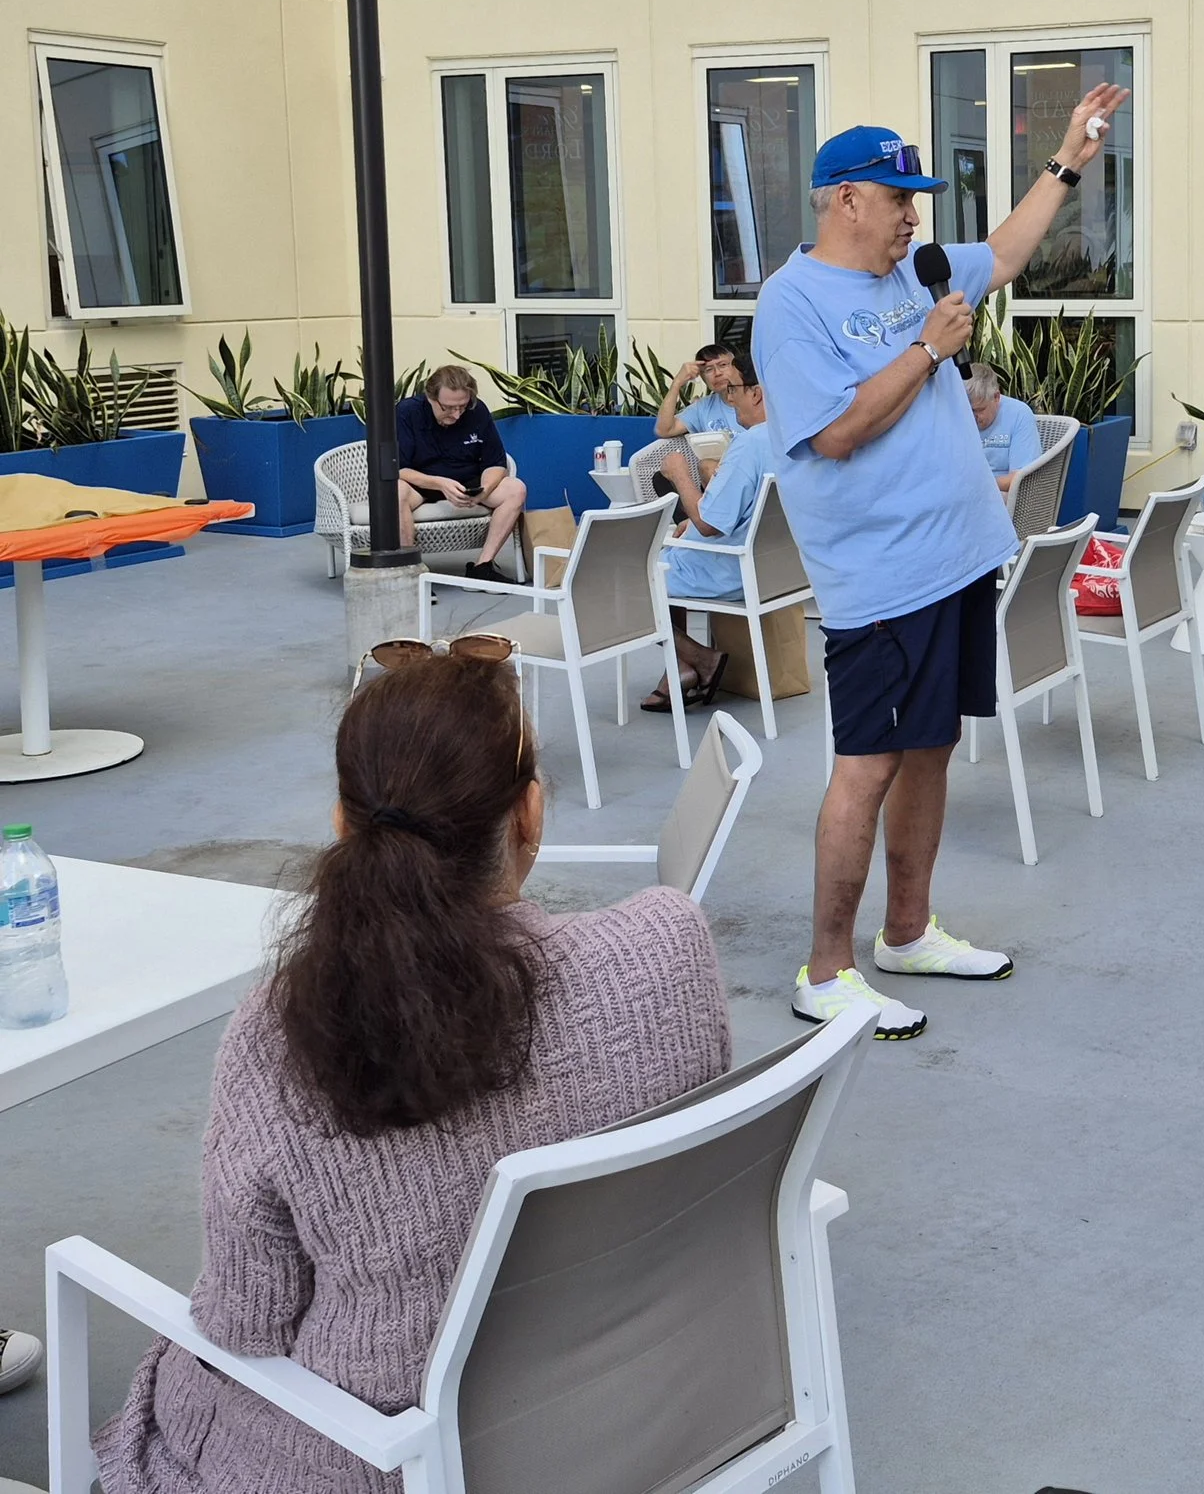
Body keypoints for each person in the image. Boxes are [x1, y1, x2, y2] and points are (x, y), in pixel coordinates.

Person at [95, 651, 732, 1493]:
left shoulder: (283, 1038)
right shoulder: (666, 951)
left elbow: (246, 1323)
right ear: (530, 813)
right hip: (641, 1408)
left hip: (388, 1459)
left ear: (342, 823)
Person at [755, 85, 1128, 1040]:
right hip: (882, 580)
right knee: (867, 765)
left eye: (915, 200)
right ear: (846, 199)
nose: (914, 216)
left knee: (932, 747)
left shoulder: (913, 270)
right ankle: (826, 971)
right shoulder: (792, 305)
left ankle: (908, 932)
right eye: (898, 198)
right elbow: (834, 434)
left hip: (958, 561)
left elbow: (1003, 253)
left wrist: (1068, 160)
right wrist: (927, 349)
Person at [642, 352, 773, 712]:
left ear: (756, 393)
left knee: (630, 582)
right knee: (667, 558)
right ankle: (681, 670)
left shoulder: (749, 444)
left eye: (734, 390)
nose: (730, 399)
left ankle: (700, 660)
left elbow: (709, 524)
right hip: (771, 566)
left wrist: (680, 475)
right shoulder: (793, 435)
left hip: (730, 568)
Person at [395, 365, 527, 583]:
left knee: (516, 489)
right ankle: (411, 573)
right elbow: (399, 469)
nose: (456, 415)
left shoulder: (477, 410)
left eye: (462, 407)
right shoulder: (407, 412)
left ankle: (482, 567)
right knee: (395, 491)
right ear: (430, 397)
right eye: (447, 408)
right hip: (421, 483)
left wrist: (485, 490)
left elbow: (496, 463)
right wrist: (440, 484)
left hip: (468, 482)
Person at [651, 341, 747, 512]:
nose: (717, 373)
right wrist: (677, 383)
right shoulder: (702, 408)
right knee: (707, 466)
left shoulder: (754, 398)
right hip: (719, 483)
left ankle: (701, 519)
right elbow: (663, 429)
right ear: (702, 378)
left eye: (723, 365)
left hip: (753, 475)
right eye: (708, 370)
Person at [967, 362, 1042, 494]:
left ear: (996, 397)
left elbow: (1021, 478)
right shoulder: (957, 416)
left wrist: (978, 485)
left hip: (1002, 495)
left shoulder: (1019, 414)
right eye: (968, 410)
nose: (973, 417)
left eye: (980, 410)